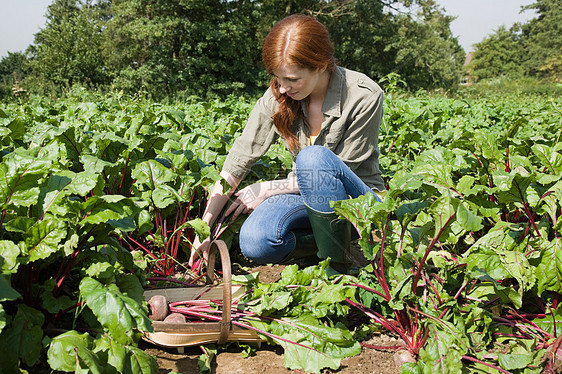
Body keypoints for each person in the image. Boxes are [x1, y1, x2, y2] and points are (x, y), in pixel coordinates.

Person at [189, 14, 385, 276]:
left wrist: (268, 188)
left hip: (358, 200)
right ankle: (332, 245)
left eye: (292, 79)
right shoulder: (279, 95)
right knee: (256, 240)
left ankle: (337, 270)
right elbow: (237, 162)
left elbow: (333, 174)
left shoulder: (363, 96)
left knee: (313, 158)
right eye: (278, 78)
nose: (282, 88)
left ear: (321, 65)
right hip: (305, 196)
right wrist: (205, 226)